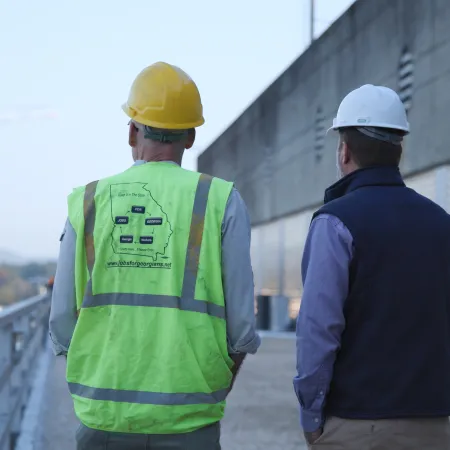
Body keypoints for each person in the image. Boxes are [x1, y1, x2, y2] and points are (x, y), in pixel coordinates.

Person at [49, 61, 260, 450]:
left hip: (102, 421)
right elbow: (242, 327)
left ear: (132, 130)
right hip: (190, 423)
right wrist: (209, 387)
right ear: (191, 137)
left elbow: (61, 321)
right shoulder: (220, 200)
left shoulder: (89, 202)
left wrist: (98, 382)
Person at [294, 84, 450, 449]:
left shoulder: (335, 223)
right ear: (400, 150)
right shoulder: (442, 223)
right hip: (434, 427)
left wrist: (311, 417)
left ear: (344, 151)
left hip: (356, 426)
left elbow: (318, 332)